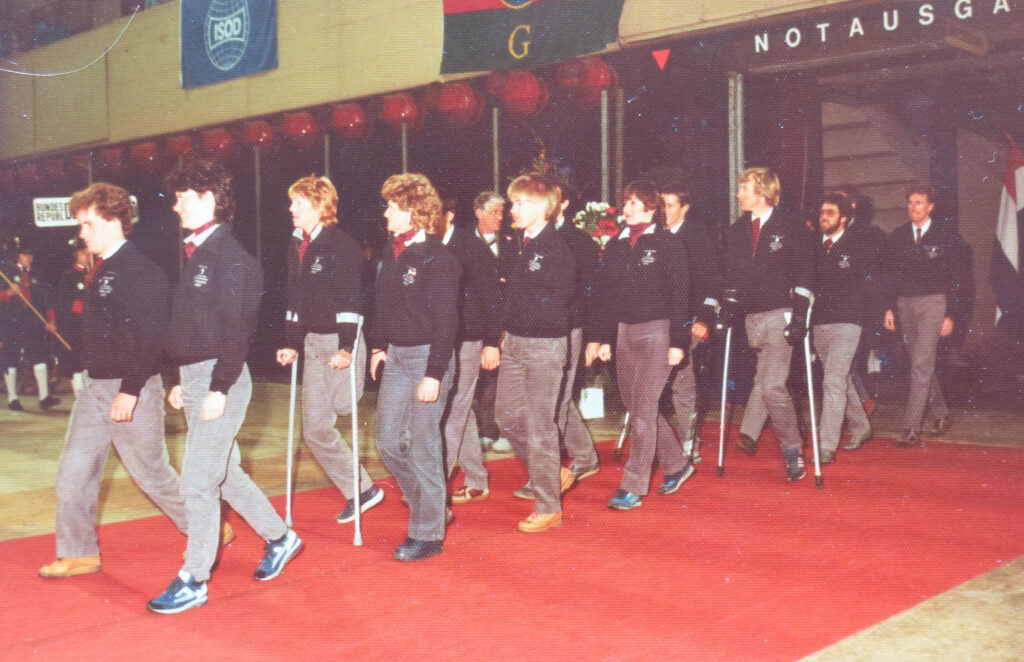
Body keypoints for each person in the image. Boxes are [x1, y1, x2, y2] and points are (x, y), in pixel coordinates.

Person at [148, 160, 301, 615]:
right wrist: (180, 379)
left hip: (223, 380)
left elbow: (239, 331)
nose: (176, 207)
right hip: (198, 379)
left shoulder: (232, 260)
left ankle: (193, 578)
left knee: (197, 482)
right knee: (224, 474)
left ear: (210, 200)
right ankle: (280, 536)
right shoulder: (197, 254)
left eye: (184, 198)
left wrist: (217, 387)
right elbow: (191, 326)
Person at [38, 183, 197, 579]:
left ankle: (204, 528)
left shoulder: (142, 271)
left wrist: (130, 389)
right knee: (74, 469)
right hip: (95, 388)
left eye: (89, 224)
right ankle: (78, 552)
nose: (82, 233)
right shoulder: (103, 267)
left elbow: (151, 335)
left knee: (152, 473)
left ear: (113, 222)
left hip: (131, 389)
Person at [275, 175, 383, 524]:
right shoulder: (296, 244)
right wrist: (291, 343)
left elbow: (351, 300)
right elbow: (294, 297)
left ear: (320, 206)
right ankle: (363, 490)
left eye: (299, 203)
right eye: (292, 203)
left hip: (341, 342)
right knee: (315, 430)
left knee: (345, 407)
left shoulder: (342, 245)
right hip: (312, 345)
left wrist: (348, 348)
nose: (291, 209)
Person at [369, 173, 460, 561]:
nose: (386, 211)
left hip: (428, 358)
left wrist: (434, 373)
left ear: (413, 211)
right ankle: (432, 504)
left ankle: (427, 532)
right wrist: (376, 347)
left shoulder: (439, 259)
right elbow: (383, 306)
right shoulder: (392, 252)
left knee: (424, 444)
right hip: (397, 356)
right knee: (386, 440)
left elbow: (447, 322)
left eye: (392, 205)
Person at [585, 180, 689, 510]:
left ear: (650, 207)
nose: (626, 209)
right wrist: (601, 338)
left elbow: (680, 294)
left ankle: (633, 485)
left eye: (633, 203)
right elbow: (605, 297)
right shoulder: (615, 246)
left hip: (658, 333)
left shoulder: (667, 243)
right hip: (623, 333)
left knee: (643, 408)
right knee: (636, 407)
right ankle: (677, 465)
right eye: (625, 202)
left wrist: (678, 342)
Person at [719, 167, 814, 481]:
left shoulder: (790, 227)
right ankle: (750, 432)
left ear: (761, 192)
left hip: (780, 314)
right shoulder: (736, 230)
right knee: (764, 378)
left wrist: (800, 316)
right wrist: (728, 306)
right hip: (752, 319)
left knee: (772, 385)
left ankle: (792, 452)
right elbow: (731, 275)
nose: (738, 194)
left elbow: (804, 274)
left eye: (743, 188)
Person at [496, 174, 576, 532]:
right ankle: (551, 473)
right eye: (513, 203)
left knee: (540, 424)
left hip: (544, 345)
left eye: (522, 203)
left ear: (544, 208)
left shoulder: (555, 249)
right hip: (514, 341)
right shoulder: (518, 244)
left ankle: (548, 507)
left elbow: (556, 303)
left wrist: (520, 311)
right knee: (506, 416)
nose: (514, 209)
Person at [882, 184, 971, 447]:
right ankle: (942, 415)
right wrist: (888, 307)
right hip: (904, 304)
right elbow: (888, 276)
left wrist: (952, 315)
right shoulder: (898, 236)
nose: (913, 208)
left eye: (918, 203)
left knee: (921, 362)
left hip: (934, 304)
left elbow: (960, 280)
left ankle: (911, 428)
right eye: (910, 202)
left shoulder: (947, 236)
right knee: (919, 363)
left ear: (930, 206)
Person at [438, 196, 502, 504]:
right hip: (441, 340)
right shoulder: (429, 247)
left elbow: (493, 298)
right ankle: (477, 479)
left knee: (452, 412)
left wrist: (491, 342)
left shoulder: (471, 248)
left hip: (468, 340)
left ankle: (434, 486)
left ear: (449, 215)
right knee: (460, 412)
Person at [654, 184, 721, 475]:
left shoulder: (697, 238)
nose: (664, 211)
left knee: (681, 379)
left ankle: (688, 442)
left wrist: (703, 317)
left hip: (688, 319)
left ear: (684, 208)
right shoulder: (653, 236)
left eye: (670, 205)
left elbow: (711, 281)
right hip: (656, 318)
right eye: (661, 205)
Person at [808, 193, 875, 463]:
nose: (824, 217)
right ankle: (862, 427)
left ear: (844, 218)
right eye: (822, 211)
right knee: (841, 379)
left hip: (848, 322)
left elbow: (870, 284)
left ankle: (825, 445)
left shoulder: (858, 245)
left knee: (833, 381)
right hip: (820, 324)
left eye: (830, 213)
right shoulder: (813, 246)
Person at [471, 191, 511, 452]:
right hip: (472, 320)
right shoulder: (463, 242)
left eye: (501, 212)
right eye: (494, 212)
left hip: (501, 320)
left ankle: (492, 429)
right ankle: (478, 429)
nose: (500, 217)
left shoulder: (510, 242)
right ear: (479, 213)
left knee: (496, 378)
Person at [1, 242, 60, 411]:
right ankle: (13, 399)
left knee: (38, 356)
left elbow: (48, 300)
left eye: (31, 255)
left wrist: (51, 321)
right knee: (10, 358)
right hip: (11, 321)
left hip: (32, 320)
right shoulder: (6, 273)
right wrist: (8, 293)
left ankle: (44, 397)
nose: (29, 258)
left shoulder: (38, 275)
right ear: (17, 256)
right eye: (25, 255)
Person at [54, 240, 92, 394]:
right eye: (83, 253)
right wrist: (86, 308)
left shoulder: (97, 273)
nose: (87, 256)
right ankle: (79, 395)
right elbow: (64, 301)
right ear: (76, 255)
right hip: (76, 325)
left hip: (94, 326)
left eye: (88, 253)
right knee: (77, 361)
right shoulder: (69, 276)